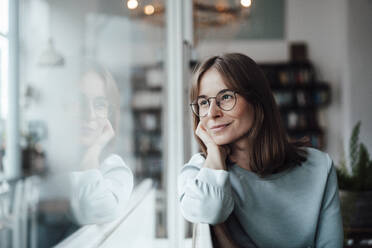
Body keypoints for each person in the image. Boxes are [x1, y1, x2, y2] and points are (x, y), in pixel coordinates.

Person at [178, 53, 343, 247]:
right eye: (204, 102)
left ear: (257, 101)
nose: (212, 113)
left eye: (226, 97)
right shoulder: (199, 175)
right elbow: (210, 210)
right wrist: (213, 152)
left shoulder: (319, 167)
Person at [69, 63, 134, 225]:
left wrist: (94, 151)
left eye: (99, 104)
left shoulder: (114, 169)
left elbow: (99, 209)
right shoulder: (50, 163)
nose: (89, 115)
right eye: (80, 101)